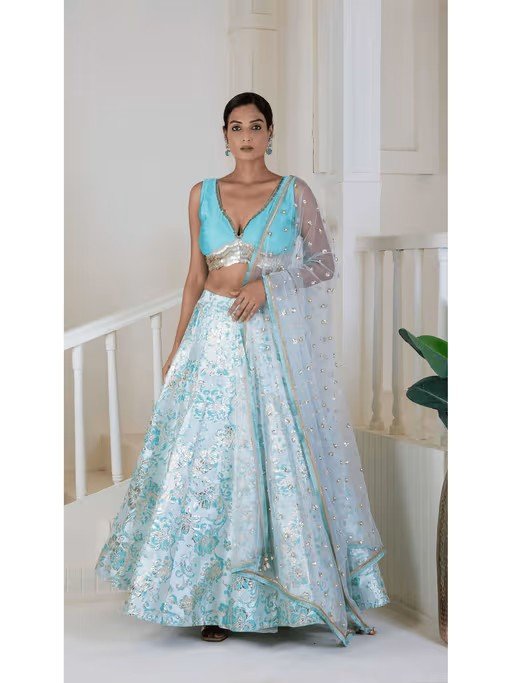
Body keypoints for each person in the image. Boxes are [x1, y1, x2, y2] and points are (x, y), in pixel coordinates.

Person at [95, 92, 390, 645]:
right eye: (237, 127)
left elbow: (324, 262)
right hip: (212, 336)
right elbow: (193, 275)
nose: (247, 136)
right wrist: (178, 345)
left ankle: (283, 592)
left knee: (272, 455)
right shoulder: (201, 194)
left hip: (268, 338)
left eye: (256, 126)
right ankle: (212, 599)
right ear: (225, 135)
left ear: (270, 133)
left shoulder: (294, 192)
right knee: (208, 459)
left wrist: (268, 285)